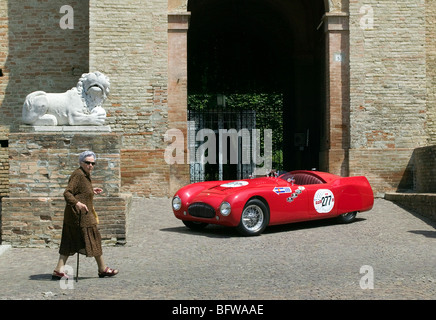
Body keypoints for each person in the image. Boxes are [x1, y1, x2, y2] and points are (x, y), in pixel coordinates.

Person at [52, 150, 119, 280]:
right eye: (87, 162)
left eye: (93, 163)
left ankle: (59, 270)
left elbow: (80, 190)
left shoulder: (85, 174)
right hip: (80, 216)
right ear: (81, 162)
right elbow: (67, 193)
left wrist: (91, 191)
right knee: (94, 240)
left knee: (69, 242)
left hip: (78, 216)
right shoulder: (79, 175)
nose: (90, 165)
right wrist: (77, 203)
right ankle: (102, 269)